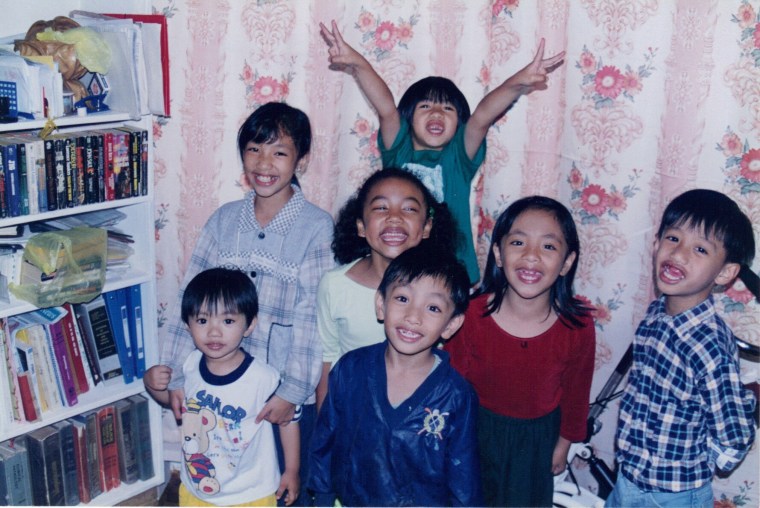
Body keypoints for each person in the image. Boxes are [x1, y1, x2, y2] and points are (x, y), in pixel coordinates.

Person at [154, 102, 335, 506]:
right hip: (220, 391)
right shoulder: (224, 220)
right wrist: (175, 378)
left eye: (279, 152)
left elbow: (312, 320)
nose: (264, 162)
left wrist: (292, 391)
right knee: (221, 480)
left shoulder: (315, 227)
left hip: (276, 396)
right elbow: (192, 300)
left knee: (282, 488)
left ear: (300, 161)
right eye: (254, 149)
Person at [319, 20, 565, 284]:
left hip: (450, 272)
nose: (437, 112)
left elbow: (483, 115)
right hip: (398, 266)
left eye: (448, 109)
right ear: (408, 119)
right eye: (425, 106)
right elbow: (386, 107)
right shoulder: (398, 153)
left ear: (459, 124)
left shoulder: (458, 159)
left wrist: (518, 82)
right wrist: (357, 63)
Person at [606, 189, 757, 508]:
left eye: (700, 248)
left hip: (673, 495)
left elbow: (734, 435)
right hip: (629, 477)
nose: (679, 253)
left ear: (726, 272)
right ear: (656, 243)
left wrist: (704, 461)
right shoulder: (656, 313)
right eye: (673, 239)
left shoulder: (708, 344)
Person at [444, 195, 596, 507]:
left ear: (567, 262)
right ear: (498, 253)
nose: (531, 256)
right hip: (474, 434)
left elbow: (577, 393)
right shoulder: (470, 316)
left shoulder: (578, 325)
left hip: (536, 443)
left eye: (549, 246)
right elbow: (450, 387)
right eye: (518, 243)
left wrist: (564, 443)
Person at [309, 245, 482, 506]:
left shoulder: (456, 395)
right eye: (402, 299)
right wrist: (321, 498)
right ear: (381, 304)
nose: (413, 316)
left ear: (451, 324)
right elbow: (325, 441)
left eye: (433, 308)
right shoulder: (351, 369)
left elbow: (464, 476)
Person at [145, 268, 300, 506]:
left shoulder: (263, 377)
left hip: (251, 493)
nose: (214, 331)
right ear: (188, 325)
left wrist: (291, 469)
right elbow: (171, 401)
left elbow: (288, 419)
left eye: (228, 321)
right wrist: (152, 383)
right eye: (203, 320)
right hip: (196, 488)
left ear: (249, 326)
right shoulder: (188, 366)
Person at [315, 167, 458, 410]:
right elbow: (328, 364)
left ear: (426, 227)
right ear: (361, 226)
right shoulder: (335, 285)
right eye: (381, 207)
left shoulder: (441, 292)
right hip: (354, 416)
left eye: (409, 209)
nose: (394, 217)